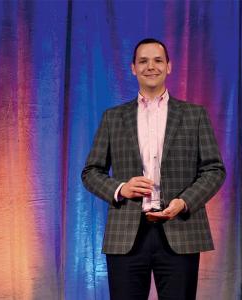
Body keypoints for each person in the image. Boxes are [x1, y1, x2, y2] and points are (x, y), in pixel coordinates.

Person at [82, 38, 225, 300]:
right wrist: (121, 188)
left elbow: (214, 170)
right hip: (125, 235)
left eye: (158, 60)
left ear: (169, 67)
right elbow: (91, 171)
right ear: (133, 68)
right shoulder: (113, 117)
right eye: (143, 61)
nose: (151, 66)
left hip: (181, 232)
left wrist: (184, 202)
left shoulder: (194, 115)